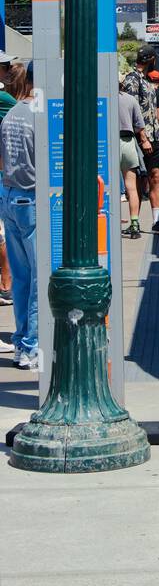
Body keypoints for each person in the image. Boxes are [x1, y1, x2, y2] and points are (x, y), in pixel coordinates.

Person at [0, 63, 38, 368]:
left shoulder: (11, 115)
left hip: (10, 196)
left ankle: (21, 341)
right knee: (39, 278)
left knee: (21, 278)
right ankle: (31, 344)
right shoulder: (40, 116)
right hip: (33, 200)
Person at [121, 46, 159, 235]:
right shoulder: (133, 80)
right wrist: (142, 137)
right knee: (139, 180)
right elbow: (132, 110)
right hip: (141, 138)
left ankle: (157, 221)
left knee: (155, 176)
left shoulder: (148, 80)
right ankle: (135, 221)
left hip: (154, 137)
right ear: (151, 60)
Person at [119, 78, 153, 239]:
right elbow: (140, 125)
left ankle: (108, 222)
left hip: (107, 144)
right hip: (128, 143)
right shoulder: (130, 99)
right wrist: (144, 140)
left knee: (106, 186)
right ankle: (134, 224)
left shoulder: (101, 99)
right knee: (131, 186)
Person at [0, 56, 19, 310]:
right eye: (5, 66)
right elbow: (24, 118)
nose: (9, 70)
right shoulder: (5, 100)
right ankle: (7, 284)